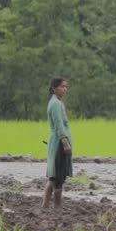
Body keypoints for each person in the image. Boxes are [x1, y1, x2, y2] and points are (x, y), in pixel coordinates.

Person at [43, 77, 73, 208]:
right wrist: (65, 142)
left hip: (58, 141)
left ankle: (45, 205)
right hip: (59, 143)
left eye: (66, 87)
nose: (65, 89)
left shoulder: (57, 102)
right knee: (59, 177)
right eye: (62, 87)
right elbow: (59, 125)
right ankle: (57, 207)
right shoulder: (55, 104)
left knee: (53, 176)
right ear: (54, 88)